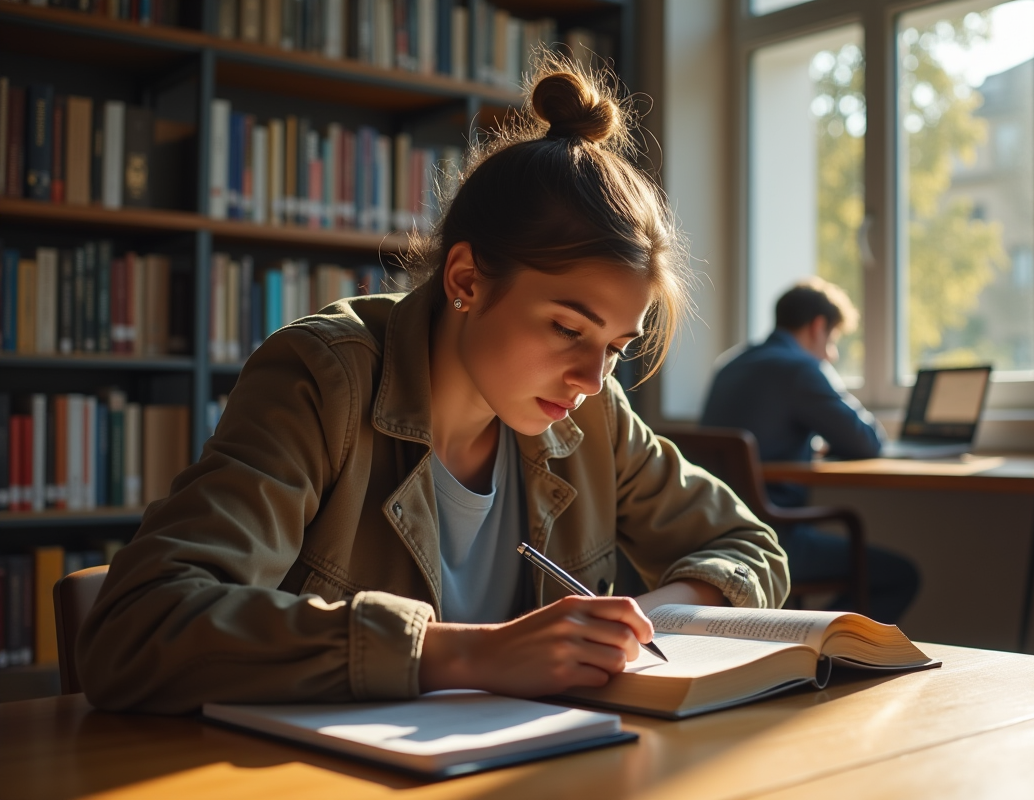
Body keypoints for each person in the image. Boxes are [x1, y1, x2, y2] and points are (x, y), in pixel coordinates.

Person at [76, 59, 787, 714]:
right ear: (466, 281)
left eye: (614, 348)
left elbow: (749, 546)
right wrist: (474, 653)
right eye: (569, 329)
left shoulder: (594, 414)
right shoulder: (325, 380)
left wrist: (642, 620)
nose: (590, 378)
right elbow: (138, 626)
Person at [700, 277, 919, 624]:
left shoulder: (729, 365)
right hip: (773, 540)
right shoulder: (800, 368)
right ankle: (816, 641)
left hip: (709, 534)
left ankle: (805, 637)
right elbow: (867, 441)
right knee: (901, 575)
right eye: (832, 341)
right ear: (819, 326)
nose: (831, 353)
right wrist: (826, 373)